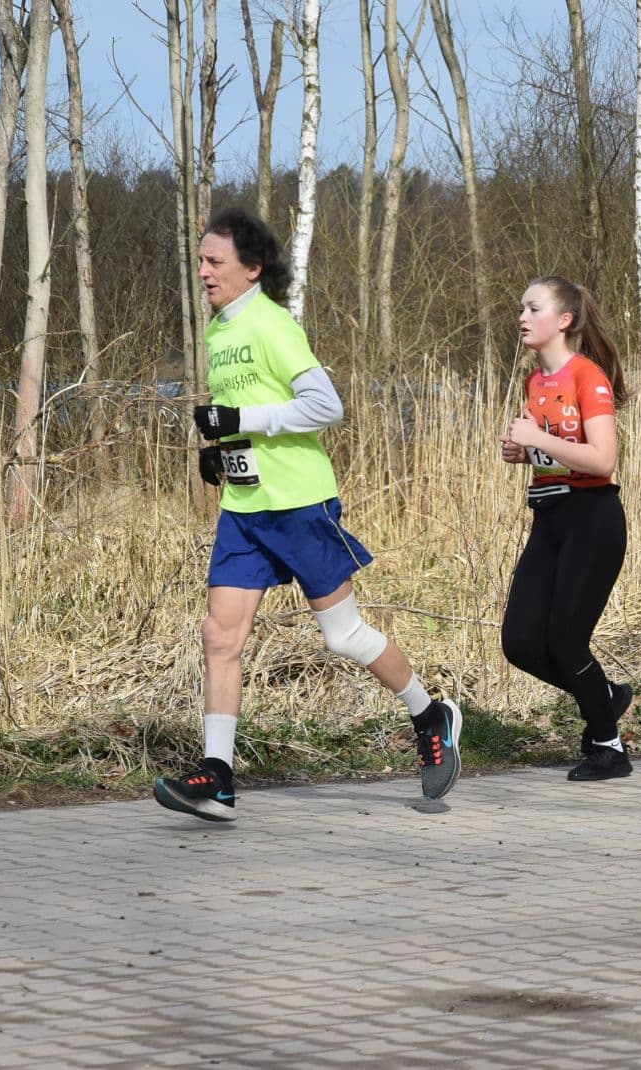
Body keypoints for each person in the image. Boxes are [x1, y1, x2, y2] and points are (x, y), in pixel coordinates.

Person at [153, 205, 463, 820]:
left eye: (215, 262)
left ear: (252, 268)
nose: (204, 272)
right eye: (201, 261)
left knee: (343, 636)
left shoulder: (271, 325)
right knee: (220, 635)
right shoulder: (219, 331)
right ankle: (218, 777)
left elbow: (326, 406)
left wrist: (242, 420)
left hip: (298, 503)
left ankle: (431, 715)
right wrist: (225, 450)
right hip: (246, 507)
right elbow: (248, 411)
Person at [499, 275, 634, 782]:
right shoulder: (536, 382)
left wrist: (538, 439)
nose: (522, 317)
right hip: (549, 518)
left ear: (564, 320)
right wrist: (524, 453)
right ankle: (606, 697)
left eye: (533, 308)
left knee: (565, 641)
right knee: (520, 642)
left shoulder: (587, 377)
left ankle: (609, 748)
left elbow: (602, 460)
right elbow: (556, 454)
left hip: (592, 520)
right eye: (521, 307)